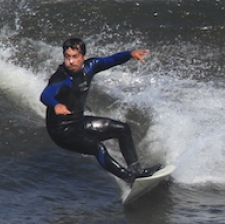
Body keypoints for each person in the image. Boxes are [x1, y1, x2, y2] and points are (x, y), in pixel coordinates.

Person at [40, 37, 160, 184]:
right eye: (67, 57)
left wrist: (129, 54)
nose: (71, 62)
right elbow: (45, 95)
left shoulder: (90, 67)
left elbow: (110, 60)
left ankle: (137, 171)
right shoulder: (61, 78)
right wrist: (56, 105)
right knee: (97, 147)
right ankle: (128, 178)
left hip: (78, 123)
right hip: (61, 132)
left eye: (75, 57)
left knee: (122, 129)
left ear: (83, 57)